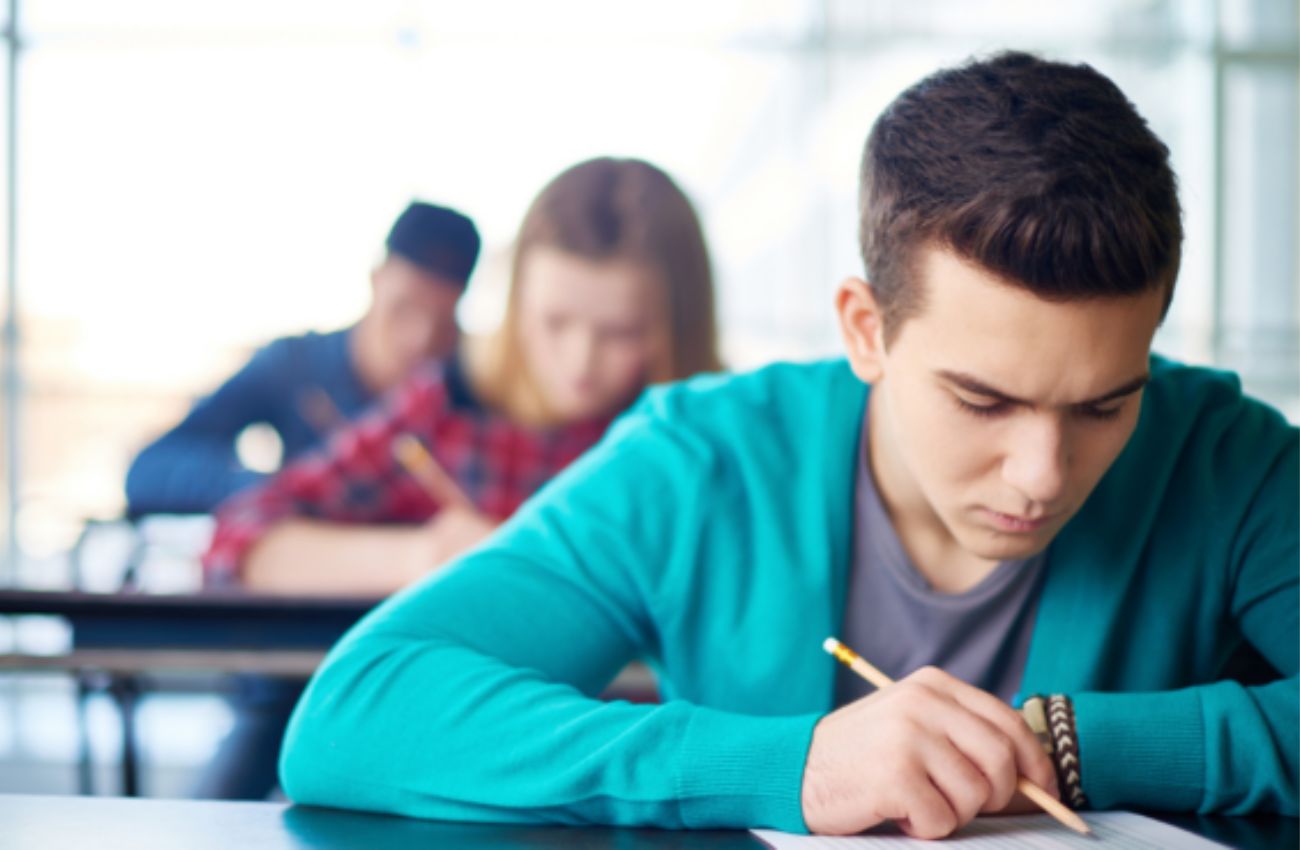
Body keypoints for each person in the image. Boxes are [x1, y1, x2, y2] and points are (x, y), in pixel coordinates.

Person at [275, 52, 1298, 838]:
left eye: (1103, 406)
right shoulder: (704, 460)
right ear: (866, 329)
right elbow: (357, 714)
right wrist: (795, 766)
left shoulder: (1224, 457)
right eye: (981, 401)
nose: (1041, 474)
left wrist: (1071, 746)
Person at [190, 157, 722, 800]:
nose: (580, 362)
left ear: (678, 323)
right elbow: (240, 539)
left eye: (621, 332)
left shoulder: (714, 432)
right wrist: (427, 553)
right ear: (515, 300)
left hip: (668, 781)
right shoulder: (448, 406)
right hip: (486, 778)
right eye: (554, 323)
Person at [124, 202, 480, 516]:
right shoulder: (295, 365)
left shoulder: (472, 385)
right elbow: (151, 468)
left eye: (442, 322)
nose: (420, 339)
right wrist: (285, 491)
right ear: (376, 280)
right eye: (404, 309)